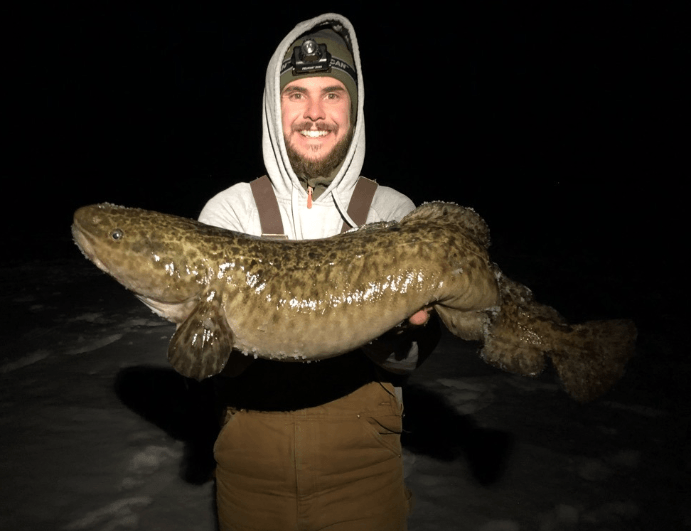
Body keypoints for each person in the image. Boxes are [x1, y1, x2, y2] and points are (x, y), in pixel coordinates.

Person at [199, 13, 440, 531]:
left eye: (332, 93)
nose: (314, 113)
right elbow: (216, 368)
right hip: (248, 477)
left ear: (354, 107)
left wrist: (398, 332)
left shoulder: (395, 213)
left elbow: (406, 363)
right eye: (296, 94)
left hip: (365, 477)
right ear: (273, 106)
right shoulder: (228, 213)